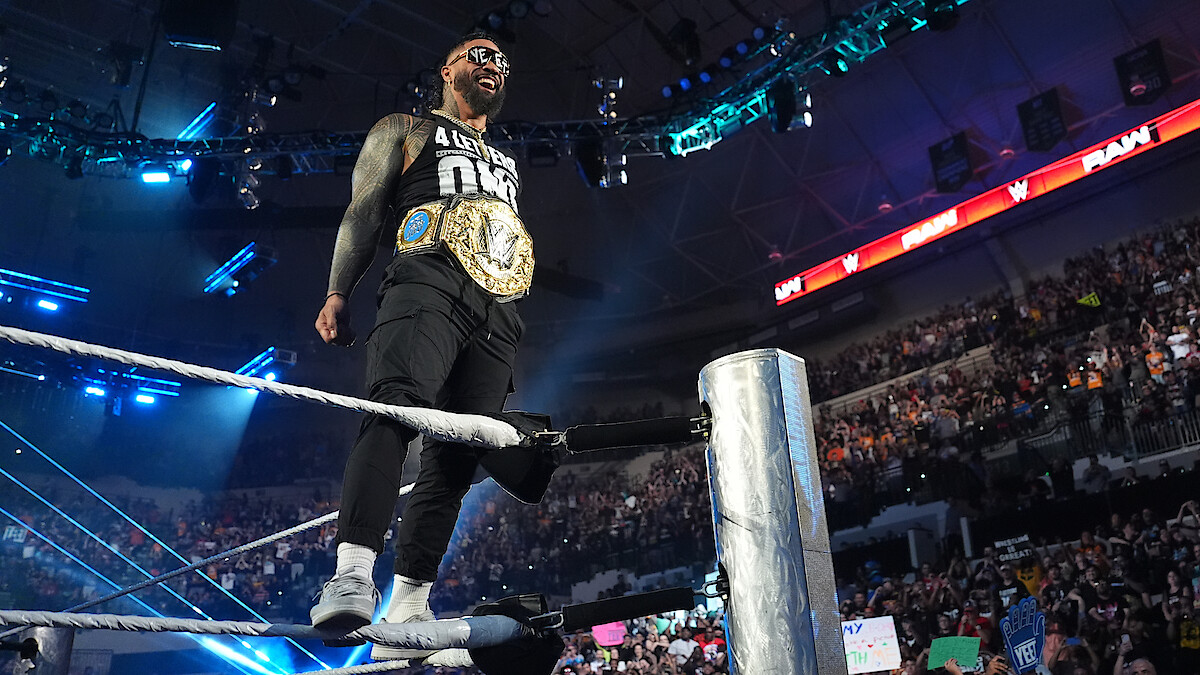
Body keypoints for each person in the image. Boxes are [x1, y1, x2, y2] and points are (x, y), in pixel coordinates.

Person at [309, 31, 530, 661]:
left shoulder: (507, 159)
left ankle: (410, 601)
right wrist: (336, 291)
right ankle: (352, 572)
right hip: (425, 278)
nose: (492, 67)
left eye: (501, 62)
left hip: (498, 307)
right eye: (478, 56)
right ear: (446, 70)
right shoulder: (404, 128)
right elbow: (364, 211)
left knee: (461, 452)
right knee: (397, 408)